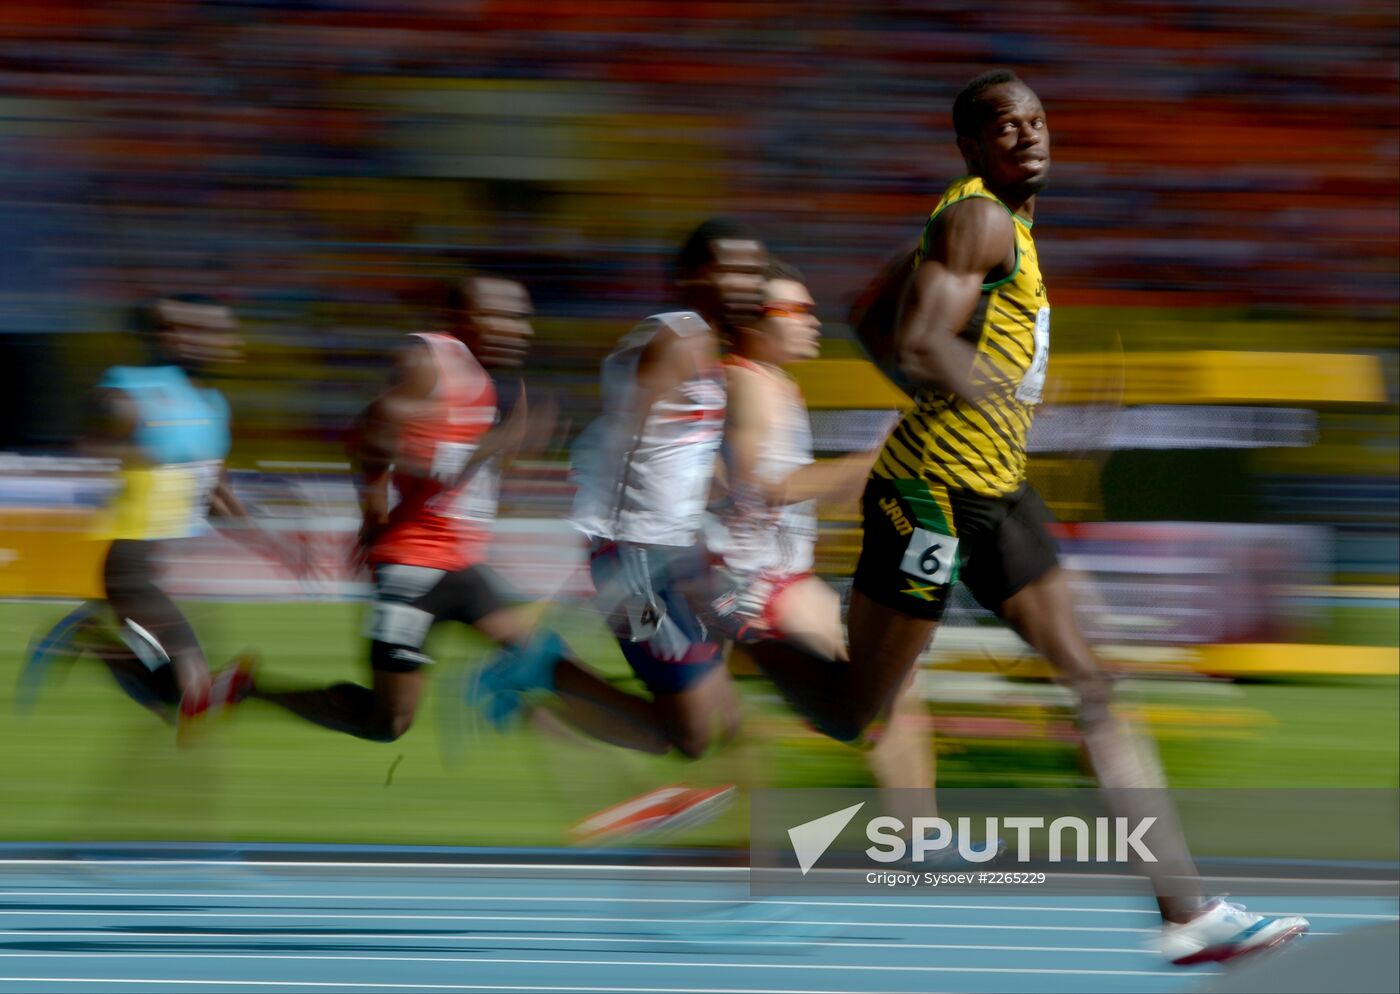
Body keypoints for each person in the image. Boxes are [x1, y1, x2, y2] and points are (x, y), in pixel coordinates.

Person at [751, 69, 1309, 965]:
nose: (1028, 135)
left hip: (998, 492)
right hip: (930, 495)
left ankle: (1186, 912)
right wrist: (1006, 402)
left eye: (1038, 120)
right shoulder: (976, 219)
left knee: (1093, 681)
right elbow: (921, 339)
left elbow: (869, 318)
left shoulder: (998, 228)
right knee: (856, 709)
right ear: (972, 146)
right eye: (1005, 126)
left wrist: (998, 416)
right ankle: (733, 624)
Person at [245, 273, 674, 755]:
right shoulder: (428, 360)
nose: (519, 330)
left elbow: (435, 462)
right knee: (386, 721)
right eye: (501, 316)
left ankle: (652, 742)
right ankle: (247, 690)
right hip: (413, 569)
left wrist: (505, 460)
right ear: (460, 317)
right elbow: (374, 435)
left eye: (522, 318)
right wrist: (378, 511)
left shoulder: (482, 380)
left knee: (549, 662)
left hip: (461, 566)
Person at [472, 219, 769, 840]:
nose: (748, 281)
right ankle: (543, 668)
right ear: (690, 277)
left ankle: (745, 846)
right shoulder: (678, 338)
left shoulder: (702, 349)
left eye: (754, 269)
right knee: (689, 733)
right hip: (638, 564)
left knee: (717, 714)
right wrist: (609, 555)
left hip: (677, 555)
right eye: (732, 268)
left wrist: (732, 497)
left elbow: (676, 447)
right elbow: (624, 438)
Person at [20, 295, 299, 736]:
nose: (227, 340)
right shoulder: (129, 389)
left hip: (167, 564)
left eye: (226, 331)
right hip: (130, 564)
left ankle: (89, 636)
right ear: (173, 337)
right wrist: (126, 448)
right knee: (194, 695)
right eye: (212, 331)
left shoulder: (214, 406)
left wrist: (270, 542)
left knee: (172, 698)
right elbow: (91, 441)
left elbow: (217, 494)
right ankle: (212, 684)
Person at [706, 259, 931, 795]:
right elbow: (758, 487)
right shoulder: (748, 382)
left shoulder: (776, 385)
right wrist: (870, 462)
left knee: (890, 689)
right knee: (884, 690)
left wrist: (876, 464)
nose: (812, 321)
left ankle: (920, 832)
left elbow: (806, 495)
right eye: (796, 309)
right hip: (753, 587)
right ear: (753, 322)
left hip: (780, 580)